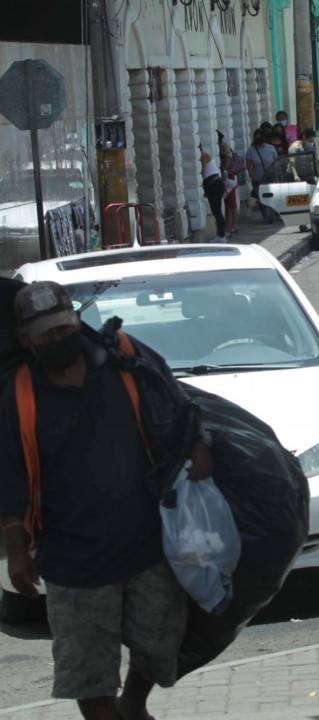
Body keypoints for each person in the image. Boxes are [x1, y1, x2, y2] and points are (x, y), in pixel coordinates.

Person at [0, 281, 212, 720]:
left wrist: (199, 447)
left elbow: (176, 404)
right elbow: (9, 474)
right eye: (47, 335)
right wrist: (17, 550)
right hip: (71, 560)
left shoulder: (123, 358)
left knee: (158, 645)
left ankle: (133, 704)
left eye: (63, 328)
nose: (59, 339)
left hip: (147, 542)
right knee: (87, 670)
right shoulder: (18, 395)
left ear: (76, 320)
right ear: (26, 339)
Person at [245, 129, 279, 223]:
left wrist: (277, 173)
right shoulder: (251, 150)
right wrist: (252, 175)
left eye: (260, 136)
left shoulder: (271, 148)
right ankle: (266, 216)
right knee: (262, 198)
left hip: (271, 177)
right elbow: (248, 165)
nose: (258, 138)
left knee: (273, 196)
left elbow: (276, 162)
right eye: (256, 137)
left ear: (263, 137)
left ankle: (275, 214)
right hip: (258, 178)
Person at [199, 146, 227, 242]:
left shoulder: (204, 155)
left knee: (217, 211)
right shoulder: (203, 156)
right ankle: (220, 235)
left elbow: (202, 170)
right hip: (212, 185)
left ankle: (221, 236)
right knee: (216, 211)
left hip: (214, 184)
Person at [218, 130, 240, 235]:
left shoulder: (224, 146)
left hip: (230, 176)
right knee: (227, 203)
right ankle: (228, 225)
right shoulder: (218, 146)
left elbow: (229, 158)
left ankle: (234, 225)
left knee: (231, 202)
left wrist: (225, 170)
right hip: (225, 176)